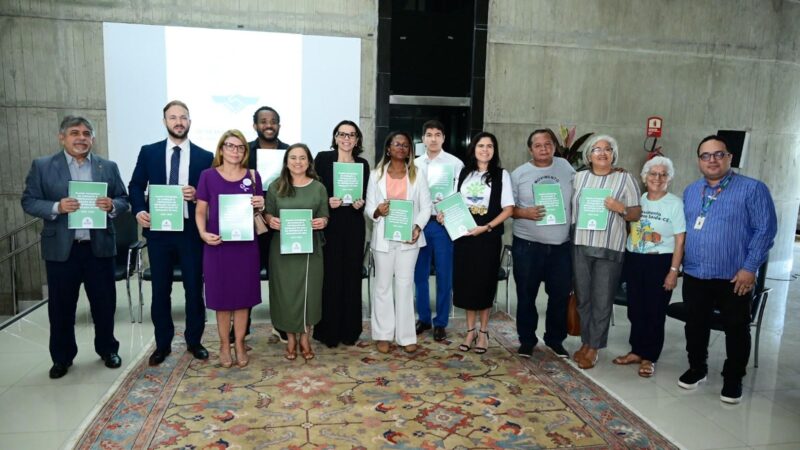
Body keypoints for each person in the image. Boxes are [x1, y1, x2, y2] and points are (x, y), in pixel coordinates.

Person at [21, 115, 129, 379]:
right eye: (74, 133)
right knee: (61, 308)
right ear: (62, 137)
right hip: (62, 251)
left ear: (92, 137)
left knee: (104, 305)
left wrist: (112, 205)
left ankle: (107, 350)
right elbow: (29, 201)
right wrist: (57, 207)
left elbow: (124, 198)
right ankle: (62, 358)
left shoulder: (107, 166)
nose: (81, 138)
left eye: (86, 133)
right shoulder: (43, 166)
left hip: (98, 248)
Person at [678, 135, 776, 404]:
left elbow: (765, 230)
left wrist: (749, 268)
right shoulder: (691, 191)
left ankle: (733, 378)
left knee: (736, 327)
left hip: (735, 276)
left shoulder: (752, 189)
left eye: (718, 154)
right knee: (695, 325)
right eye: (705, 155)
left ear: (730, 157)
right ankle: (697, 368)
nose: (712, 160)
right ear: (699, 160)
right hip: (696, 273)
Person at [129, 100, 214, 366]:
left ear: (190, 121)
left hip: (190, 231)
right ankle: (162, 344)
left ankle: (194, 341)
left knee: (193, 288)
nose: (178, 122)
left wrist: (197, 194)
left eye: (183, 117)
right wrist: (139, 210)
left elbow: (210, 195)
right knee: (160, 290)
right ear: (165, 121)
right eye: (173, 117)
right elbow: (134, 186)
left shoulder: (204, 156)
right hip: (159, 232)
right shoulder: (149, 152)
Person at [571, 134, 641, 369]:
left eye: (607, 149)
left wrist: (620, 208)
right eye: (596, 149)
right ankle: (586, 341)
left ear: (614, 154)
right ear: (588, 155)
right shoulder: (578, 178)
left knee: (602, 299)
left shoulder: (625, 178)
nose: (602, 153)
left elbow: (636, 213)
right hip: (581, 244)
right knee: (583, 298)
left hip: (610, 247)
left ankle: (594, 347)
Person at [195, 130, 264, 368]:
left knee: (243, 298)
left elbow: (258, 211)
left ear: (245, 151)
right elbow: (201, 210)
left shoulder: (253, 177)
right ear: (221, 149)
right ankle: (225, 344)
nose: (235, 151)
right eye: (230, 146)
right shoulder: (207, 176)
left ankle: (240, 343)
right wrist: (203, 233)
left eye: (240, 147)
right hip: (218, 245)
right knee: (222, 298)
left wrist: (261, 204)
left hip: (246, 247)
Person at [613, 156, 685, 378]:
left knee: (654, 311)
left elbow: (680, 240)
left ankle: (649, 357)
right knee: (635, 309)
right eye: (653, 174)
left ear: (669, 178)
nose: (658, 178)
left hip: (660, 262)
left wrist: (673, 271)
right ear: (644, 177)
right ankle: (636, 350)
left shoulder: (675, 203)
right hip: (635, 259)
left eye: (663, 174)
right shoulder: (639, 199)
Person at [444, 132, 513, 355]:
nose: (485, 150)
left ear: (495, 150)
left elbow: (508, 210)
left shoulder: (502, 175)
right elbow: (454, 203)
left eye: (490, 146)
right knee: (466, 286)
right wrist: (446, 215)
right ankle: (469, 331)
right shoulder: (465, 173)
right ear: (474, 149)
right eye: (481, 145)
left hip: (488, 238)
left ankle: (483, 332)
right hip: (464, 239)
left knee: (484, 285)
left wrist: (487, 227)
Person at [365, 131, 431, 354]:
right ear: (388, 148)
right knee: (383, 286)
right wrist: (377, 211)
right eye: (396, 144)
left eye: (405, 145)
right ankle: (383, 334)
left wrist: (417, 227)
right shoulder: (375, 175)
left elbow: (426, 207)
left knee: (404, 285)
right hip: (383, 238)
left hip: (408, 239)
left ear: (409, 150)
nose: (401, 147)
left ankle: (405, 336)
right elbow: (368, 207)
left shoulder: (418, 175)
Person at [510, 128, 574, 358]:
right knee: (526, 295)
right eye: (538, 145)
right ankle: (527, 340)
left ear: (554, 146)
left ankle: (555, 339)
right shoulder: (518, 174)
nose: (544, 148)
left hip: (560, 247)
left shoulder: (566, 168)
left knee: (559, 295)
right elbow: (508, 209)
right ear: (530, 149)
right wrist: (524, 212)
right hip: (527, 245)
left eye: (548, 144)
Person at [264, 144, 329, 361]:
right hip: (282, 251)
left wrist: (322, 222)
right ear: (286, 161)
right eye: (293, 157)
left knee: (309, 294)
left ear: (309, 161)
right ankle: (291, 338)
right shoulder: (275, 187)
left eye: (302, 158)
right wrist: (270, 220)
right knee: (287, 295)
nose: (298, 162)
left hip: (311, 250)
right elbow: (267, 214)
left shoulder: (319, 187)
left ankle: (305, 338)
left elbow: (325, 216)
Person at [312, 120, 370, 348]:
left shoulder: (363, 164)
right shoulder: (323, 159)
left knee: (351, 276)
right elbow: (314, 190)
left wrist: (361, 203)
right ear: (335, 137)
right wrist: (326, 201)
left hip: (354, 224)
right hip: (331, 224)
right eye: (342, 134)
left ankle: (350, 330)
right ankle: (329, 332)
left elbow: (366, 195)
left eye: (351, 135)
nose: (347, 139)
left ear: (357, 140)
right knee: (331, 277)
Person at [413, 120, 464, 341]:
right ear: (422, 138)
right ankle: (423, 318)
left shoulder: (455, 164)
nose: (433, 139)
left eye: (437, 134)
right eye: (429, 134)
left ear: (443, 138)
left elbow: (461, 195)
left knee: (445, 274)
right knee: (419, 274)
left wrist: (449, 213)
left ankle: (441, 321)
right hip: (420, 225)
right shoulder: (413, 164)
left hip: (444, 225)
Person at [246, 106, 290, 343]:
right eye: (263, 121)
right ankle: (243, 326)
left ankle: (280, 324)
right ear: (255, 126)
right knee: (249, 276)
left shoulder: (289, 152)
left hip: (280, 224)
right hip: (251, 224)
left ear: (279, 126)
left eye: (273, 121)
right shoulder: (245, 153)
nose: (268, 125)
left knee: (279, 277)